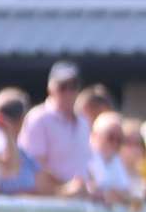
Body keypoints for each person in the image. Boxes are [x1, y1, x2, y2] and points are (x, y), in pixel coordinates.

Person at [18, 61, 93, 194]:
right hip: (48, 206)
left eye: (73, 86)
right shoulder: (38, 118)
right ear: (50, 88)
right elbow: (33, 167)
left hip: (78, 206)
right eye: (62, 86)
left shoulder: (83, 122)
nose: (69, 92)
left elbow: (87, 166)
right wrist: (66, 187)